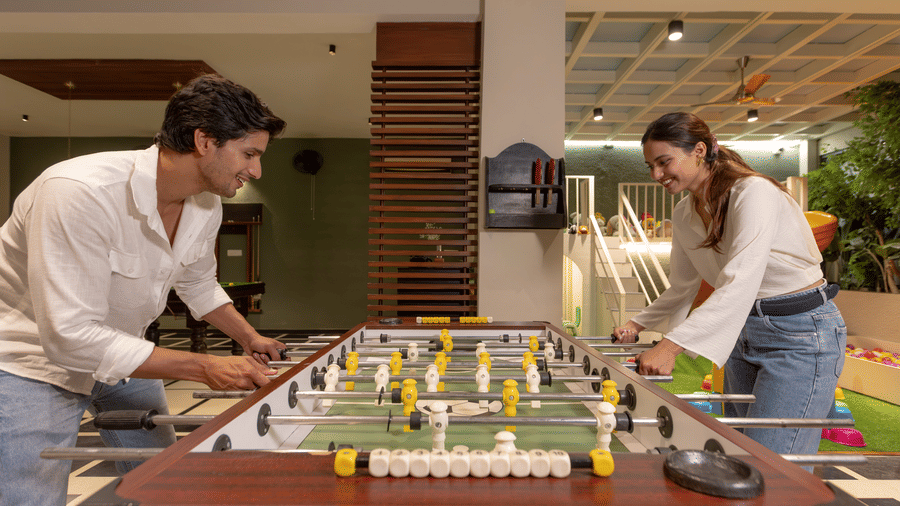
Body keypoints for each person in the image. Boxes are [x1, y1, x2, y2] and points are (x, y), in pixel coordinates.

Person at [0, 74, 288, 505]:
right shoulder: (79, 193)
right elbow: (68, 336)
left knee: (165, 481)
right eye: (249, 154)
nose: (256, 169)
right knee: (31, 499)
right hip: (32, 365)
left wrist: (250, 337)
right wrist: (204, 366)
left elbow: (197, 283)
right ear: (204, 141)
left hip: (123, 354)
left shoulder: (205, 203)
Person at [612, 112, 845, 459]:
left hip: (800, 335)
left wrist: (669, 347)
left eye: (664, 162)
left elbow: (740, 282)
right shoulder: (683, 214)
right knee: (740, 458)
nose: (657, 174)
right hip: (743, 332)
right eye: (651, 166)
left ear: (699, 151)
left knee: (773, 467)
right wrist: (636, 324)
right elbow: (682, 287)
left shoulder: (754, 193)